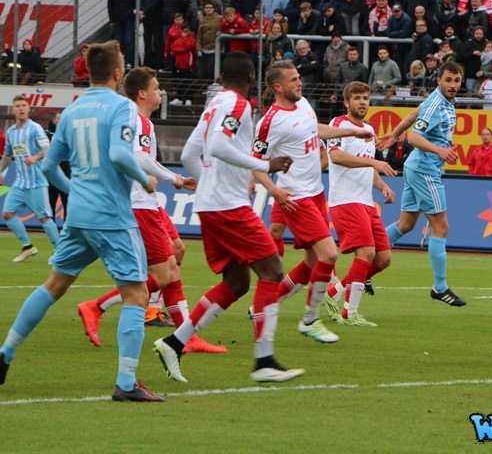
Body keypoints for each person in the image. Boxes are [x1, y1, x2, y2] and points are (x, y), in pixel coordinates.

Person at [0, 41, 164, 401]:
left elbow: (47, 167)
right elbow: (121, 153)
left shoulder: (72, 112)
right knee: (137, 294)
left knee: (53, 286)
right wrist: (143, 178)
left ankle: (6, 352)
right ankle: (125, 384)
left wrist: (73, 189)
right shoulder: (122, 106)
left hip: (79, 215)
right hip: (113, 217)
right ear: (118, 73)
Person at [153, 52, 303, 384]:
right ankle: (264, 359)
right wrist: (265, 166)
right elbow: (219, 146)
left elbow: (192, 153)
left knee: (237, 282)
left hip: (211, 204)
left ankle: (174, 342)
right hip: (228, 205)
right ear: (251, 78)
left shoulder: (213, 105)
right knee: (273, 270)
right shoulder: (237, 105)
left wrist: (209, 185)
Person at [74, 66, 224, 352]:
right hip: (138, 204)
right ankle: (98, 306)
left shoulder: (132, 120)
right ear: (142, 94)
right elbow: (141, 159)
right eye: (156, 88)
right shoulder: (140, 122)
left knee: (177, 251)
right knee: (165, 274)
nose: (160, 93)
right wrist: (175, 179)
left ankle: (185, 336)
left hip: (147, 203)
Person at [250, 62, 375, 342]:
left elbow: (315, 130)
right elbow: (254, 161)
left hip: (317, 193)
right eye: (293, 80)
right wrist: (273, 189)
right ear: (278, 87)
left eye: (299, 77)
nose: (300, 82)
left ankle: (262, 307)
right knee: (329, 255)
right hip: (296, 197)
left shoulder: (303, 102)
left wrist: (353, 133)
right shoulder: (269, 121)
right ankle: (310, 319)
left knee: (310, 262)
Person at [379, 62, 467, 306]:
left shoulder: (443, 102)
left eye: (457, 80)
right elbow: (415, 137)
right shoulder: (438, 104)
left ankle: (369, 259)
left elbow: (411, 115)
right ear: (438, 80)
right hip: (425, 171)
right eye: (448, 80)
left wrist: (393, 135)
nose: (452, 85)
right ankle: (440, 287)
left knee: (406, 224)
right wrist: (440, 150)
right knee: (441, 227)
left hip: (416, 167)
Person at [322, 81, 397, 326]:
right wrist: (375, 164)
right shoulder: (338, 125)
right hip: (345, 199)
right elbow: (336, 157)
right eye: (357, 98)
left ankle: (335, 292)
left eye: (365, 97)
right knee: (366, 252)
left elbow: (366, 164)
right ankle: (349, 312)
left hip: (365, 201)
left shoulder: (369, 129)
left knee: (383, 258)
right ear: (347, 102)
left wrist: (382, 185)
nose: (363, 102)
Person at [0, 95, 59, 262]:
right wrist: (0, 171)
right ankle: (28, 247)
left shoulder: (34, 129)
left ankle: (59, 252)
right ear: (13, 109)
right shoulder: (11, 132)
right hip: (20, 182)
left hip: (37, 182)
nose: (20, 108)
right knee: (7, 213)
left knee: (44, 218)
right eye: (17, 105)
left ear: (28, 109)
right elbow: (7, 155)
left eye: (23, 105)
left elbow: (47, 150)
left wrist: (35, 157)